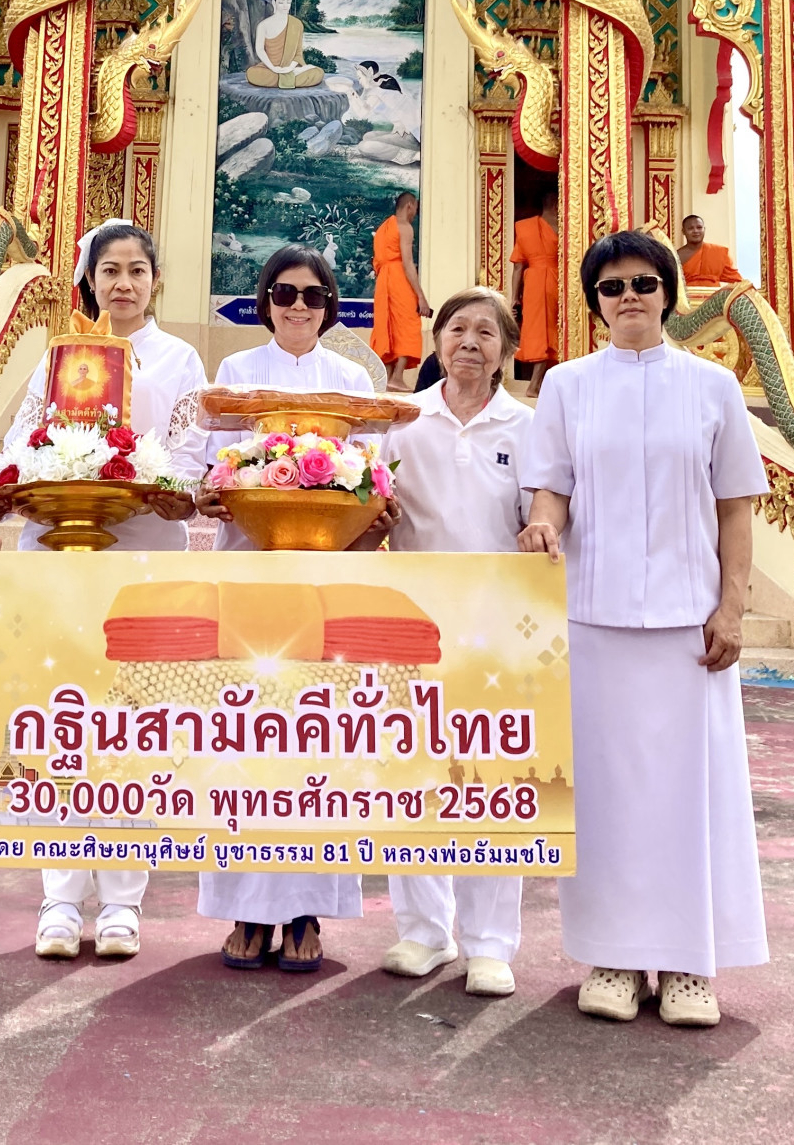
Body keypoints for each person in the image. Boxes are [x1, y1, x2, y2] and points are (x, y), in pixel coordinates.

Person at [518, 229, 769, 1028]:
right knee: (607, 798)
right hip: (591, 618)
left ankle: (691, 963)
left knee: (689, 795)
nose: (629, 295)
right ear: (594, 300)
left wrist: (730, 606)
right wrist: (542, 525)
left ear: (669, 292)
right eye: (613, 285)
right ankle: (616, 957)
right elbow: (551, 488)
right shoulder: (565, 385)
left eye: (644, 282)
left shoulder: (712, 387)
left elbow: (735, 507)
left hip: (689, 630)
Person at [0, 219, 208, 966]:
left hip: (144, 556)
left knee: (136, 727)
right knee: (63, 725)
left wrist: (146, 483)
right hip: (59, 557)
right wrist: (23, 483)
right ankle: (58, 897)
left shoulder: (180, 360)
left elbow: (189, 454)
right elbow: (20, 444)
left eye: (137, 270)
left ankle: (122, 900)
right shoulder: (61, 356)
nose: (123, 283)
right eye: (109, 270)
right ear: (90, 281)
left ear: (155, 280)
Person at [193, 245, 374, 970]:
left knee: (317, 747)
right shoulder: (236, 375)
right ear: (264, 300)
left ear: (330, 305)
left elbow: (372, 480)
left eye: (312, 294)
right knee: (244, 740)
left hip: (327, 580)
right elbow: (209, 467)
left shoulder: (353, 379)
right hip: (249, 573)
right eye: (284, 292)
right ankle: (246, 909)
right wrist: (214, 488)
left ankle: (304, 912)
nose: (298, 305)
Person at [371, 289, 533, 996]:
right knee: (416, 778)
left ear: (508, 348)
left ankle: (491, 942)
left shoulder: (529, 427)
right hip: (411, 625)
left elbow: (547, 518)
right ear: (437, 341)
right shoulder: (402, 426)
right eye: (458, 328)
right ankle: (423, 931)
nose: (471, 341)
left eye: (487, 332)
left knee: (493, 785)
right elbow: (370, 514)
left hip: (501, 632)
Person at [370, 192, 432, 391]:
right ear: (410, 206)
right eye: (415, 208)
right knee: (409, 323)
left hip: (383, 281)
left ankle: (387, 377)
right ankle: (397, 376)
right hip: (398, 278)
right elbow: (407, 263)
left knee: (388, 326)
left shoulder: (382, 229)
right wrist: (421, 296)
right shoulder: (404, 227)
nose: (415, 213)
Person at [509, 188, 559, 396]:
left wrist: (514, 298)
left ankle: (538, 384)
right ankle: (534, 385)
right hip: (555, 281)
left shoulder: (526, 228)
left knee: (539, 332)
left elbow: (518, 267)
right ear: (557, 205)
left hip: (532, 284)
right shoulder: (563, 226)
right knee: (548, 334)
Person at [244, 0, 322, 88]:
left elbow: (298, 53)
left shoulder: (296, 24)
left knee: (318, 73)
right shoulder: (263, 25)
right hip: (269, 67)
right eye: (281, 2)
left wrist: (290, 68)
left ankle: (289, 75)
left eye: (288, 2)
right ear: (274, 3)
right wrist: (273, 68)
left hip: (291, 67)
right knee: (252, 74)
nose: (285, 5)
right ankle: (291, 77)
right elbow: (260, 50)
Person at [676, 214, 742, 287]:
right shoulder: (676, 256)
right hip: (686, 297)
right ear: (683, 231)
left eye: (699, 227)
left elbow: (737, 281)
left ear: (704, 229)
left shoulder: (719, 252)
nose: (695, 231)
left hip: (714, 297)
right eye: (690, 228)